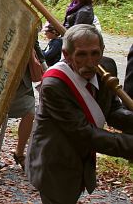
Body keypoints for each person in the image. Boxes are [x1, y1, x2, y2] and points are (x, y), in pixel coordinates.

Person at [27, 24, 133, 204]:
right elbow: (84, 132)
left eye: (95, 53)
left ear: (102, 51)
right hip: (55, 163)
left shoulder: (106, 67)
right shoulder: (54, 85)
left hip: (82, 158)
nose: (90, 62)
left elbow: (111, 110)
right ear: (67, 55)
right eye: (82, 55)